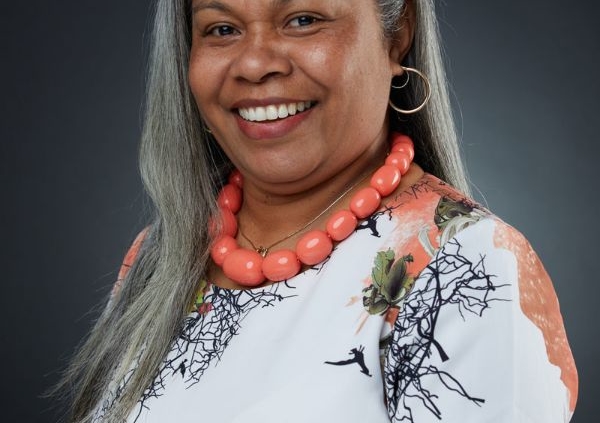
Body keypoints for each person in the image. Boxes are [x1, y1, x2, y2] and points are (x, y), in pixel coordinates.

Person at [58, 0, 578, 422]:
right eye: (221, 29)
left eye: (303, 19)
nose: (255, 64)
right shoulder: (161, 254)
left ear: (397, 35)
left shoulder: (464, 268)